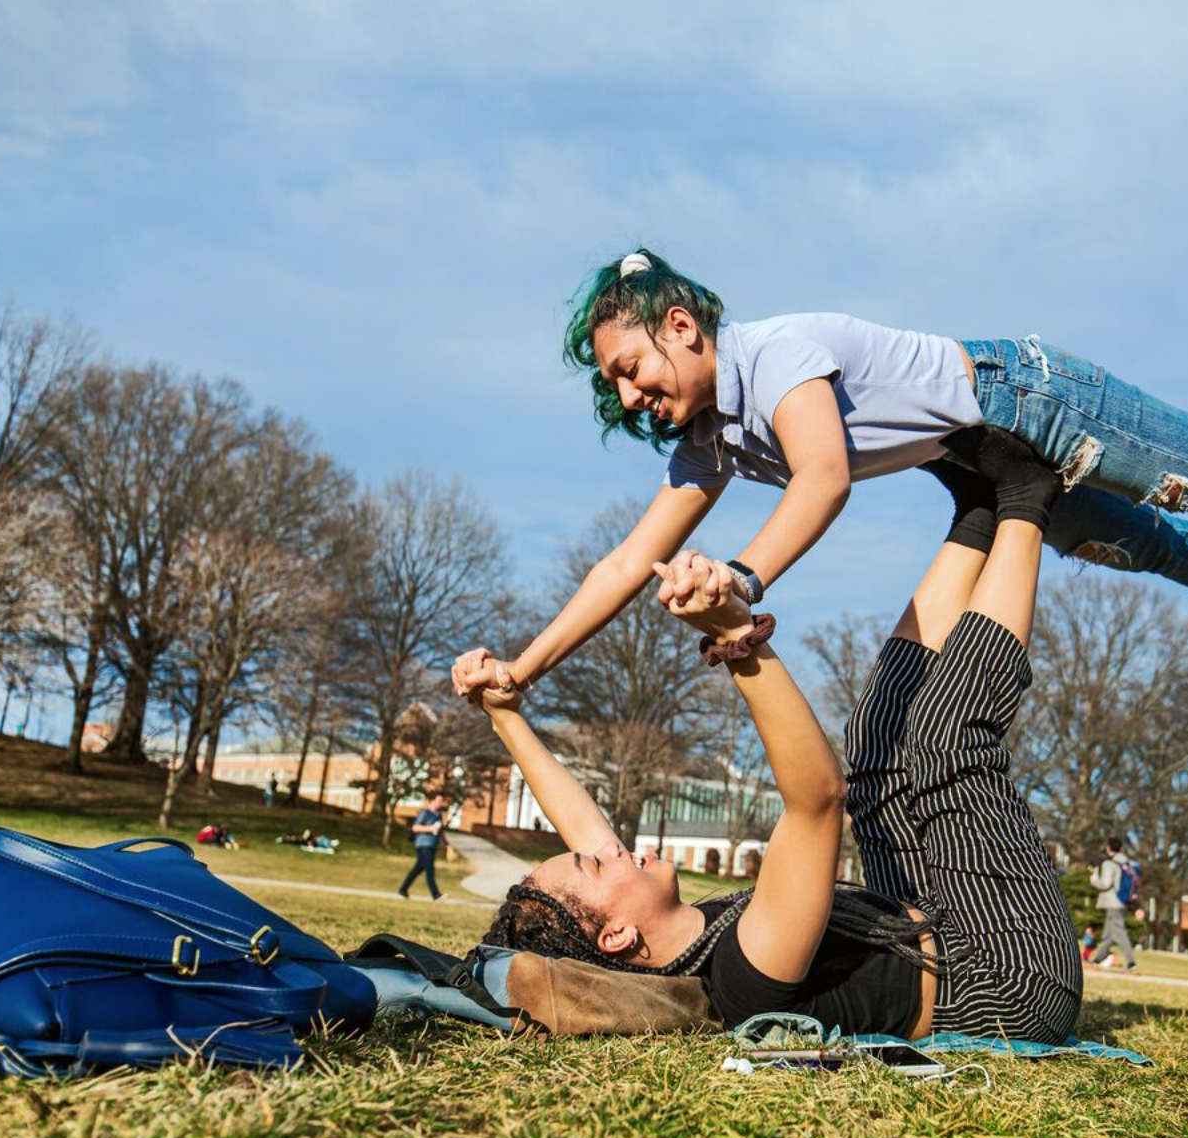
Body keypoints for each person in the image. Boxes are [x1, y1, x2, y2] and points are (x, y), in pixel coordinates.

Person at [452, 207, 1188, 713]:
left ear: (682, 328)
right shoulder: (711, 438)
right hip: (983, 459)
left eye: (631, 369)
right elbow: (626, 562)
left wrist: (741, 575)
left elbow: (824, 474)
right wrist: (527, 670)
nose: (627, 396)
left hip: (1034, 400)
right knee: (1147, 547)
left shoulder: (775, 355)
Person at [463, 433, 1084, 1041]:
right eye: (596, 862)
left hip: (934, 919)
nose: (607, 845)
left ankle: (976, 515)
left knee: (877, 744)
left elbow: (583, 832)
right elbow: (816, 799)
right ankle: (1028, 499)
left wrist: (505, 715)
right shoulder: (744, 974)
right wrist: (736, 639)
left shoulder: (667, 929)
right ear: (618, 938)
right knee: (945, 741)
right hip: (1006, 980)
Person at [1088, 837, 1141, 973]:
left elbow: (1105, 884)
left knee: (1119, 933)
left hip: (1113, 902)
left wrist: (1094, 881)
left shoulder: (1109, 863)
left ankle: (1131, 963)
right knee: (1108, 934)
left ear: (1108, 847)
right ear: (1121, 848)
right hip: (1123, 902)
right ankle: (1096, 960)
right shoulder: (1126, 863)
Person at [397, 794, 446, 900]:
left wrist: (444, 843)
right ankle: (436, 895)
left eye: (442, 801)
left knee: (417, 869)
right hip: (423, 845)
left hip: (432, 845)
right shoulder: (425, 813)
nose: (441, 803)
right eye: (439, 801)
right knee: (430, 869)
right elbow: (415, 827)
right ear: (432, 801)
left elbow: (439, 831)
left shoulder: (438, 815)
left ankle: (403, 890)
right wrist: (430, 828)